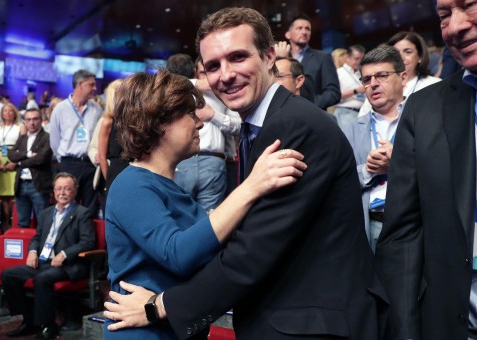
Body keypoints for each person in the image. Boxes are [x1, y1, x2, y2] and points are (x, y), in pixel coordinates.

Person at [104, 7, 386, 340]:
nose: (225, 75)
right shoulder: (263, 128)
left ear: (269, 56)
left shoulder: (292, 125)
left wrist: (160, 306)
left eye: (238, 57)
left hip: (309, 322)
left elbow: (252, 250)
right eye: (213, 66)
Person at [103, 69, 306, 339]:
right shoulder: (131, 184)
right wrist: (251, 187)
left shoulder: (170, 189)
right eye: (189, 113)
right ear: (159, 123)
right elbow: (179, 254)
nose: (199, 122)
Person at [375, 1, 477, 338]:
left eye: (470, 6)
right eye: (444, 15)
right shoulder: (425, 109)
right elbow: (402, 234)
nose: (455, 26)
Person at [0, 172, 95, 340]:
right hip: (43, 262)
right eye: (59, 188)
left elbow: (88, 242)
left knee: (42, 279)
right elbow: (37, 237)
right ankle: (28, 319)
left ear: (75, 191)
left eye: (67, 188)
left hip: (67, 265)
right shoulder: (46, 213)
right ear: (53, 191)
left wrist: (65, 254)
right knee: (8, 275)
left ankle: (47, 326)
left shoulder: (82, 213)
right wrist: (32, 251)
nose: (62, 192)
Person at [342, 46, 407, 252]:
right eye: (367, 79)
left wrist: (397, 161)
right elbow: (340, 179)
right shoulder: (351, 129)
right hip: (370, 225)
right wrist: (369, 170)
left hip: (414, 222)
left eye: (382, 76)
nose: (373, 84)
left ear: (403, 77)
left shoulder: (422, 119)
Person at [167, 53, 242, 212]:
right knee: (180, 214)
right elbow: (164, 85)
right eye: (204, 72)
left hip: (213, 161)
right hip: (182, 160)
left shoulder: (223, 92)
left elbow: (238, 127)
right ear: (196, 71)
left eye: (211, 71)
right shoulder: (176, 93)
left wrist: (214, 116)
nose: (207, 77)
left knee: (210, 219)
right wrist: (195, 83)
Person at [49, 70, 102, 211]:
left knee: (90, 208)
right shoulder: (60, 109)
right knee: (67, 205)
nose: (95, 88)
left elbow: (99, 137)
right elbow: (54, 141)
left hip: (90, 164)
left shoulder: (96, 109)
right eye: (91, 85)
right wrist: (64, 160)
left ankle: (86, 234)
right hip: (69, 164)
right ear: (80, 85)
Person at [358, 31, 442, 116]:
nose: (401, 57)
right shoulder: (377, 87)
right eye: (396, 53)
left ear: (420, 57)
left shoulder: (435, 85)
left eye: (408, 52)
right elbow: (362, 120)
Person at [282, 14, 340, 109]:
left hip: (313, 115)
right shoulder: (283, 57)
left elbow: (333, 93)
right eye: (299, 28)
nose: (304, 32)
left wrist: (310, 104)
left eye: (307, 29)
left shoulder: (322, 57)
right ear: (288, 34)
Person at [7, 108, 53, 228]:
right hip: (21, 184)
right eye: (28, 119)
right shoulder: (22, 138)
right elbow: (11, 155)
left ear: (41, 120)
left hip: (38, 184)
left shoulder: (47, 137)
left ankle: (41, 247)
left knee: (43, 222)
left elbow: (41, 159)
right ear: (25, 122)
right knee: (22, 223)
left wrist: (20, 163)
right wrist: (27, 154)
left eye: (35, 119)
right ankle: (26, 246)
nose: (32, 123)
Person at [0, 103, 26, 230]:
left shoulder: (20, 126)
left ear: (15, 113)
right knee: (4, 195)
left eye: (10, 111)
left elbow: (24, 145)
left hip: (15, 157)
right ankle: (6, 224)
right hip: (2, 159)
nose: (7, 113)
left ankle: (15, 223)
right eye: (5, 111)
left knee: (15, 193)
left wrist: (15, 162)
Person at [95, 80, 126, 192]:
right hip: (114, 173)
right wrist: (108, 178)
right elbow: (102, 157)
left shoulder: (133, 120)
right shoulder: (107, 122)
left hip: (132, 170)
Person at [335, 45, 366, 130]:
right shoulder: (339, 73)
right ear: (347, 57)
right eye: (356, 59)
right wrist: (356, 91)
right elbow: (334, 96)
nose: (359, 62)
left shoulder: (361, 74)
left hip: (362, 113)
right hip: (345, 112)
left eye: (361, 59)